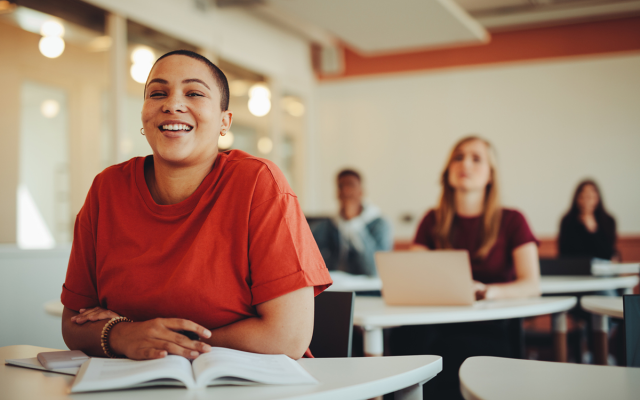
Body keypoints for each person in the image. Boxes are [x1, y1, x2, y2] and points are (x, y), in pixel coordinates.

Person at [60, 50, 332, 361]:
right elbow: (74, 324)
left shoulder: (258, 182)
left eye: (194, 93)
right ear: (144, 115)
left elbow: (288, 337)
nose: (172, 104)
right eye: (158, 93)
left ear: (224, 121)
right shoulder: (106, 189)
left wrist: (161, 343)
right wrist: (123, 335)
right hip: (133, 386)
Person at [392, 136, 540, 400]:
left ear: (491, 175)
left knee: (454, 349)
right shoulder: (431, 220)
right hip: (438, 322)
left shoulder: (513, 220)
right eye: (458, 157)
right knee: (405, 338)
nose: (465, 164)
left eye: (476, 158)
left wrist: (487, 292)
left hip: (490, 325)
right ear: (447, 171)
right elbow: (412, 277)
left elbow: (532, 284)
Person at [311, 169, 393, 276]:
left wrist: (354, 223)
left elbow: (376, 270)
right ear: (337, 193)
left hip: (368, 289)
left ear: (361, 192)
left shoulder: (380, 224)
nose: (346, 190)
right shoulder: (327, 225)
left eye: (351, 185)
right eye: (341, 186)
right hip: (335, 287)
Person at [558, 179, 617, 260]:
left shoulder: (608, 220)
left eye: (590, 197)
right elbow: (564, 253)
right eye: (583, 197)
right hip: (575, 268)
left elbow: (607, 253)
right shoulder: (567, 220)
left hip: (601, 269)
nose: (587, 201)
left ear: (597, 198)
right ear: (577, 198)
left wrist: (593, 229)